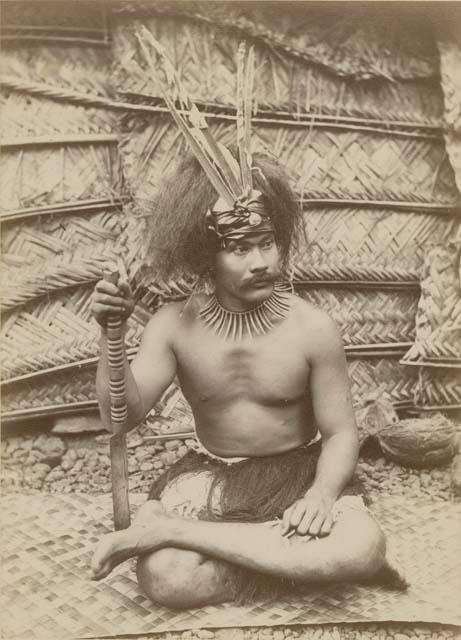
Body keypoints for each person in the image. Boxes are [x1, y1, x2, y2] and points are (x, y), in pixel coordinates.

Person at [90, 146, 404, 609]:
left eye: (267, 242)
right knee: (166, 578)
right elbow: (121, 417)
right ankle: (286, 561)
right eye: (239, 248)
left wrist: (320, 496)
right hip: (212, 479)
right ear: (205, 256)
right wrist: (109, 336)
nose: (260, 261)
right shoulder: (173, 326)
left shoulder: (313, 328)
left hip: (298, 475)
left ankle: (173, 530)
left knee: (365, 547)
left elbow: (340, 434)